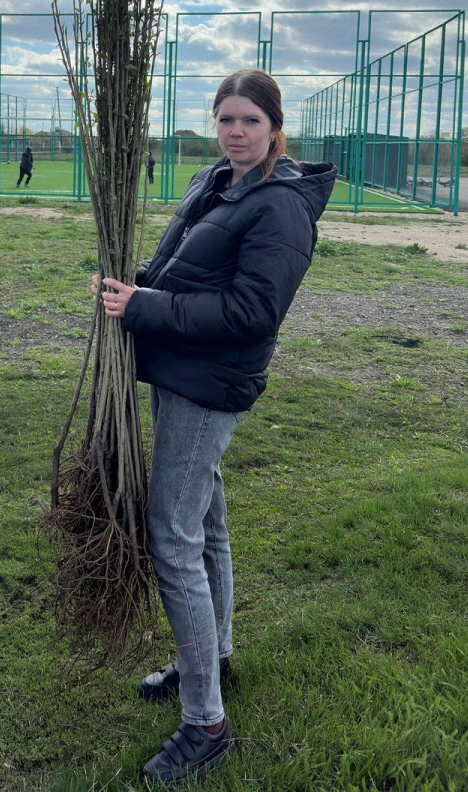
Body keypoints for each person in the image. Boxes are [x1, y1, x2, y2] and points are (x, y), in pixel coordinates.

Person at [93, 69, 335, 784]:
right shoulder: (215, 182)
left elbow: (251, 312)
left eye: (249, 121)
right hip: (176, 368)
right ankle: (215, 654)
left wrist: (143, 308)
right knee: (209, 524)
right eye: (225, 118)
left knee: (173, 535)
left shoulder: (281, 207)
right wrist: (129, 283)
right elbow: (181, 272)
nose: (235, 131)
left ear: (273, 127)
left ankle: (206, 723)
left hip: (210, 382)